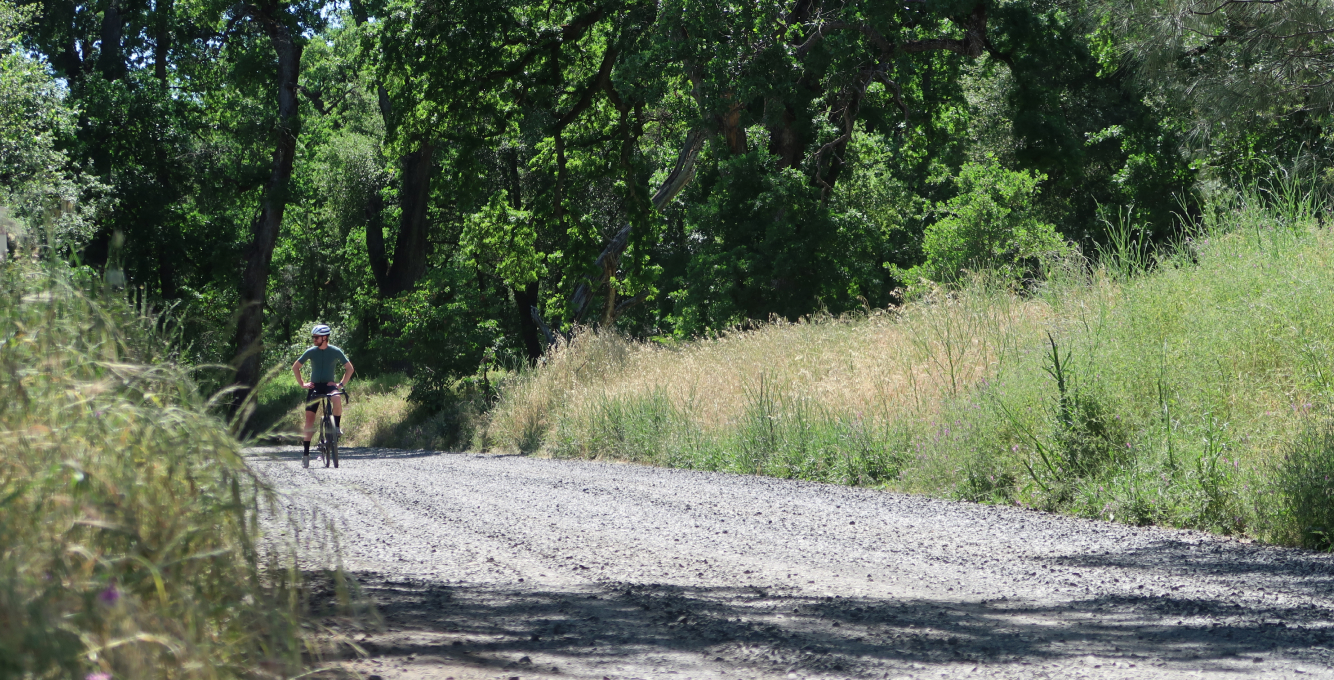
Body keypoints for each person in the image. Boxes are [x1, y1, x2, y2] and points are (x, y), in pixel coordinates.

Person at [292, 324, 354, 461]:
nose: (314, 339)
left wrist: (340, 384)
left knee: (337, 399)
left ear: (324, 338)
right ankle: (306, 454)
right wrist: (302, 384)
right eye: (313, 337)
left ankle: (336, 427)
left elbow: (349, 369)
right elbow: (296, 367)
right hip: (314, 386)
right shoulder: (311, 351)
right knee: (309, 421)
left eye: (316, 337)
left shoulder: (335, 351)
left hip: (329, 385)